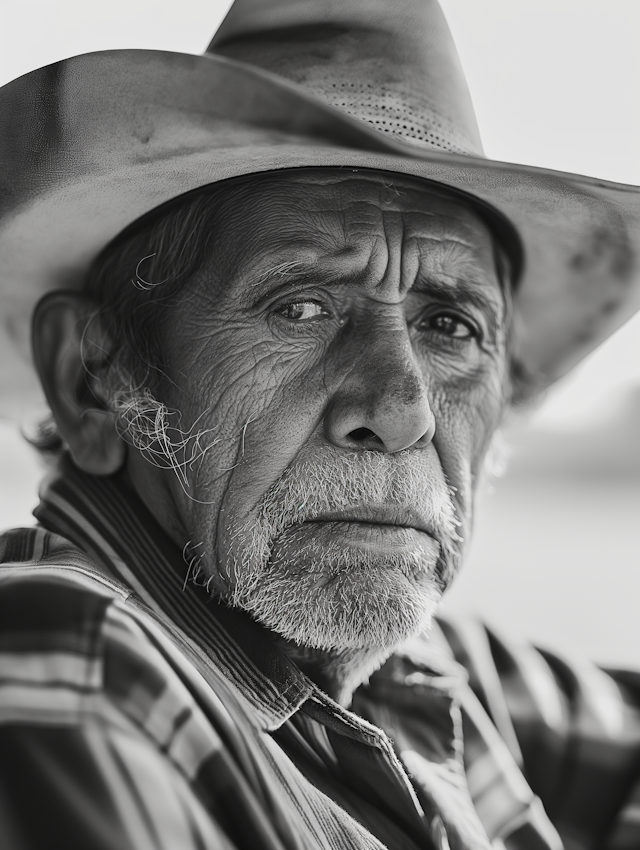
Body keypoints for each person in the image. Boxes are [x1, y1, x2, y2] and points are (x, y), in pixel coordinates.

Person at [0, 1, 639, 848]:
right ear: (92, 383)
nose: (400, 412)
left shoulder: (413, 667)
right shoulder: (72, 661)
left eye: (450, 326)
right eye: (301, 307)